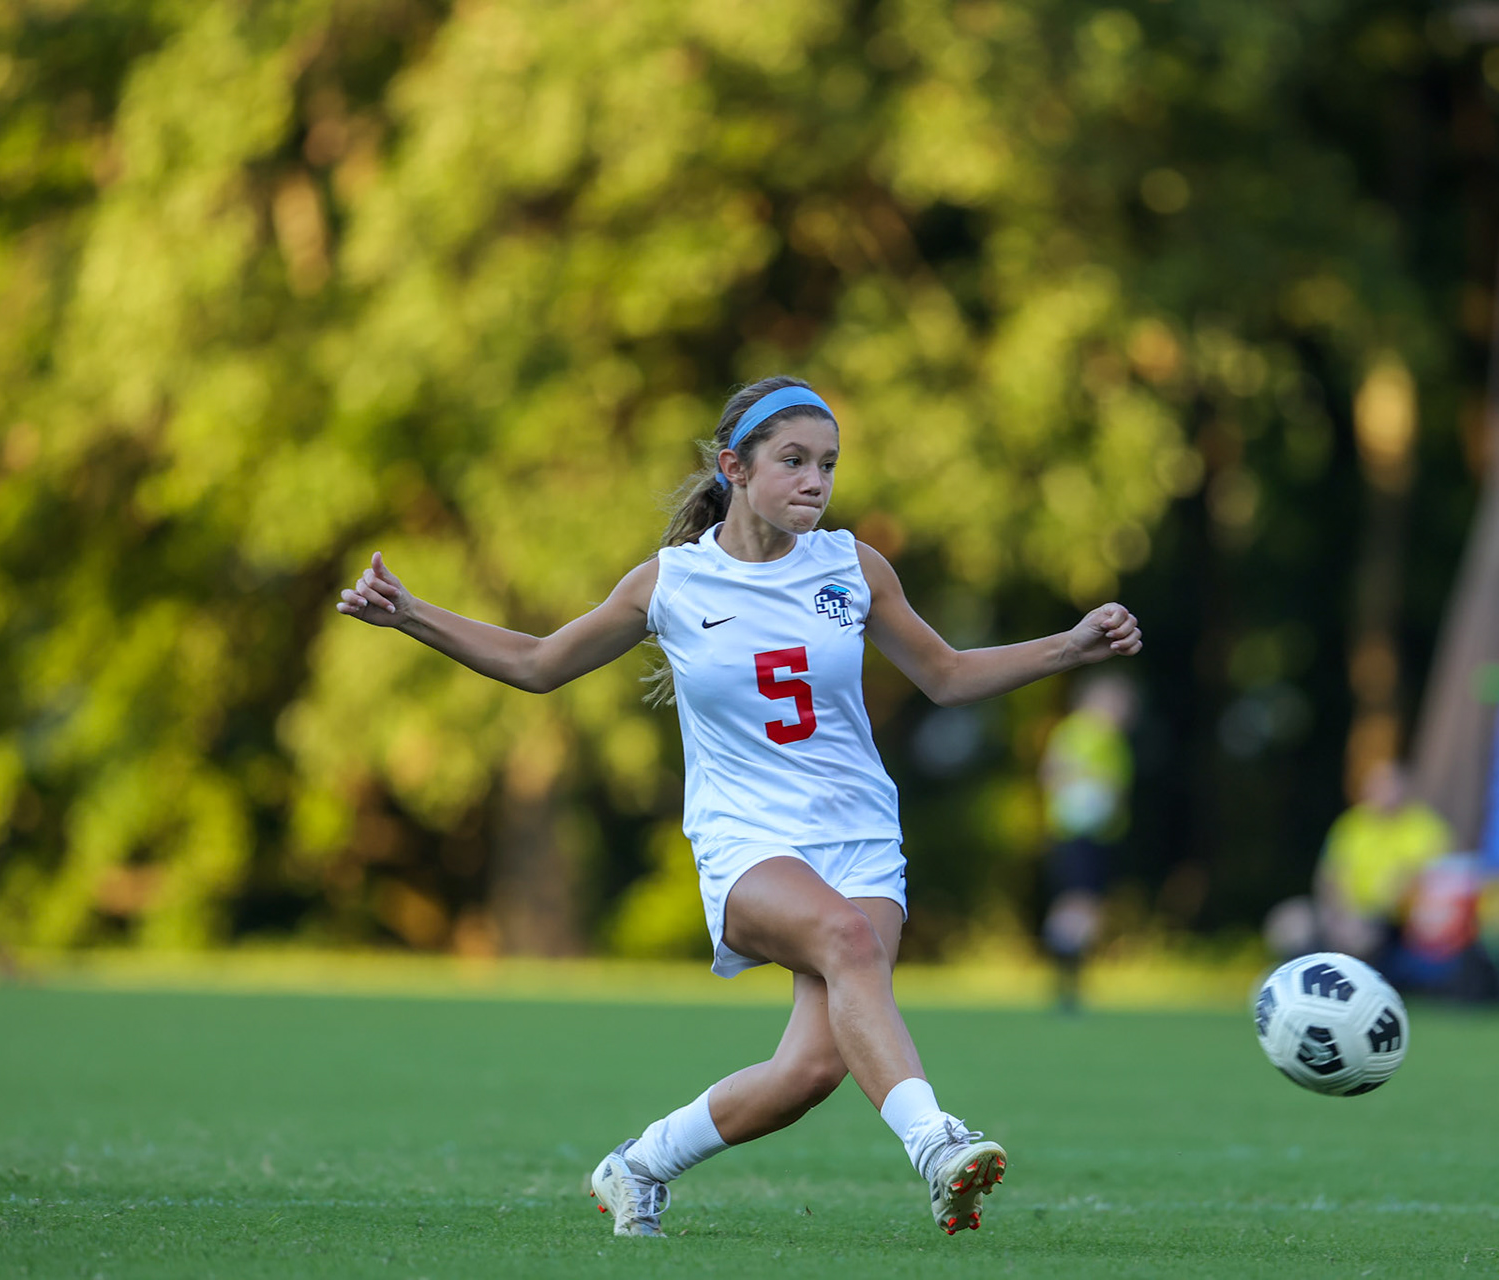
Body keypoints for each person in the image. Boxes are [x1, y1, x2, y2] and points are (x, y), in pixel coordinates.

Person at [336, 377, 1142, 1234]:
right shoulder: (672, 584)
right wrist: (411, 614)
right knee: (846, 940)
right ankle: (939, 1148)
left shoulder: (854, 565)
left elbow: (944, 677)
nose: (815, 481)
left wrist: (1072, 645)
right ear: (735, 468)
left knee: (807, 1074)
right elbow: (539, 663)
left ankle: (638, 1165)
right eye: (793, 461)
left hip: (862, 842)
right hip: (746, 844)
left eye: (827, 464)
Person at [1037, 673, 1137, 1011]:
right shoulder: (1079, 731)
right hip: (1076, 834)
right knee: (1080, 906)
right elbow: (1054, 773)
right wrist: (1083, 796)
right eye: (1116, 701)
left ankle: (1068, 985)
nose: (1123, 710)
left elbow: (1117, 789)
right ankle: (1067, 986)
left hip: (1098, 835)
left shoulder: (1114, 740)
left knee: (1082, 905)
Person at [1310, 761, 1453, 968]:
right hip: (1347, 914)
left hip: (1398, 921)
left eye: (1390, 786)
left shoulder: (1426, 827)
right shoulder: (1351, 825)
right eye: (1378, 786)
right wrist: (1337, 916)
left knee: (1361, 936)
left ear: (1405, 789)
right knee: (1289, 924)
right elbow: (1328, 877)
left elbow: (1440, 882)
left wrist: (1397, 895)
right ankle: (1294, 975)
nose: (1385, 793)